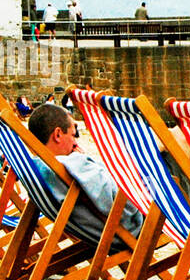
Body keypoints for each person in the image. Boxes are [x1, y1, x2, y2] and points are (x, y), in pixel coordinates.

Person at [28, 103, 143, 241]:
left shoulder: (36, 169)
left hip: (93, 234)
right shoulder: (73, 165)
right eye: (73, 134)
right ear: (58, 134)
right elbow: (116, 203)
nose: (75, 141)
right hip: (129, 230)